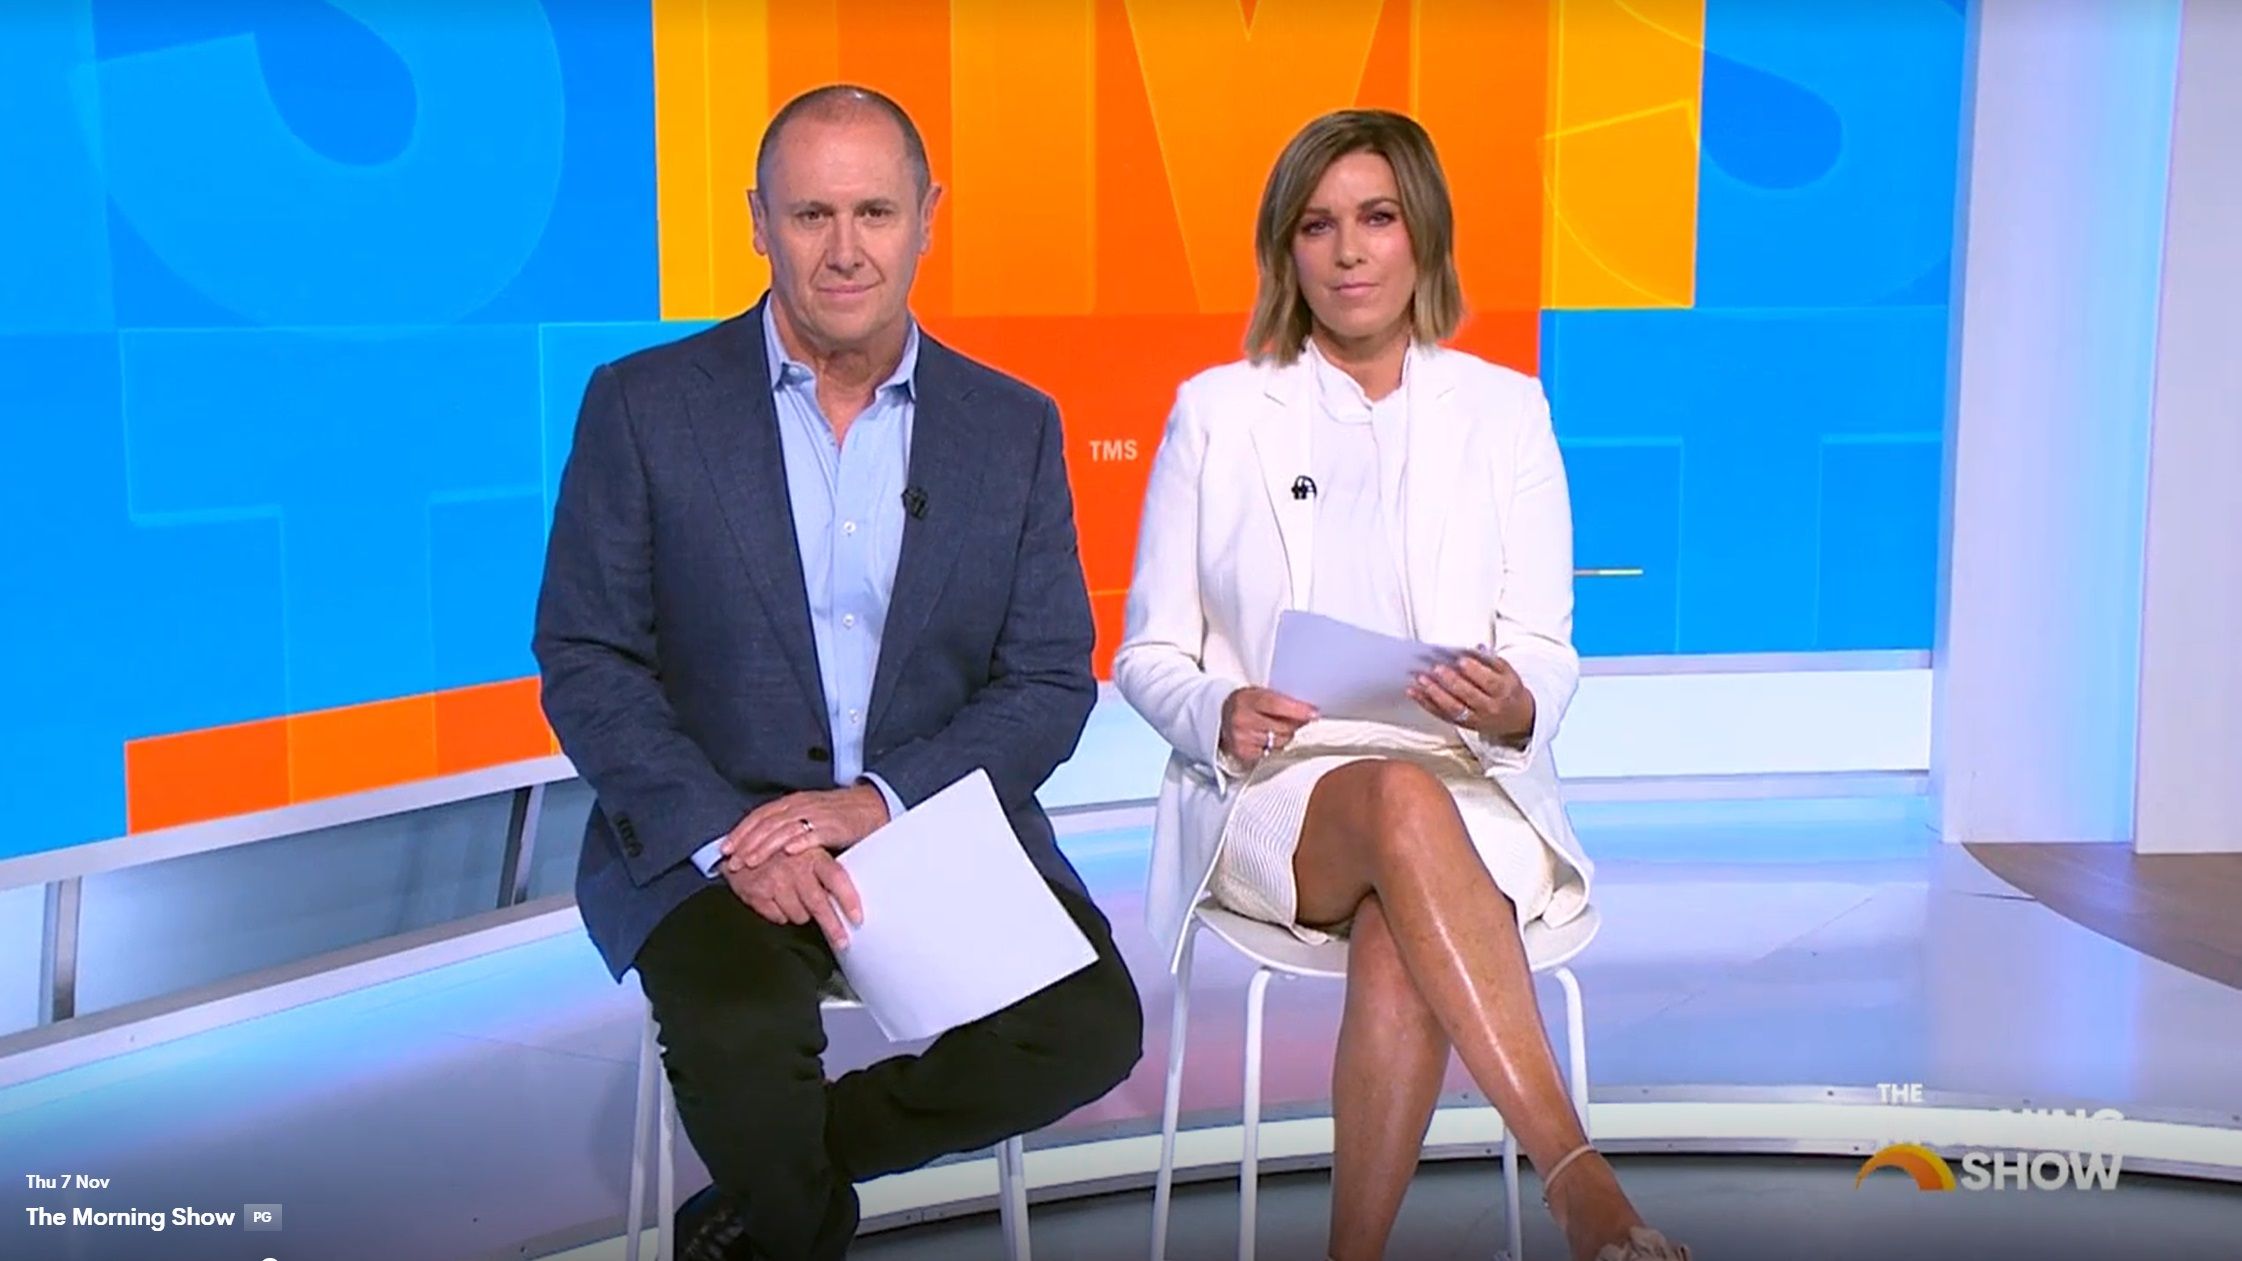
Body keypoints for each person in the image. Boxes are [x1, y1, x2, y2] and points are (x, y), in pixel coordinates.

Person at [533, 84, 1143, 1260]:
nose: (846, 248)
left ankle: (788, 1171)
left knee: (1086, 1029)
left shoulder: (1010, 425)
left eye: (875, 211)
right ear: (758, 223)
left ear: (928, 218)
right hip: (719, 845)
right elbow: (588, 655)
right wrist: (731, 837)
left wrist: (879, 803)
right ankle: (789, 1210)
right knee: (737, 1028)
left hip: (924, 830)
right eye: (812, 214)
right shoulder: (644, 405)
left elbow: (1047, 677)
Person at [1113, 109, 1690, 1261]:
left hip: (1469, 781)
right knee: (1392, 800)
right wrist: (1218, 709)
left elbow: (1543, 645)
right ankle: (1582, 1187)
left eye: (1375, 218)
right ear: (1285, 250)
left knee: (1400, 922)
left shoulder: (1505, 411)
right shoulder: (1217, 413)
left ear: (1420, 231)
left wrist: (1514, 703)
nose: (1348, 251)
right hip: (1280, 791)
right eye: (1316, 225)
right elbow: (1147, 654)